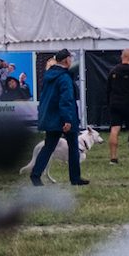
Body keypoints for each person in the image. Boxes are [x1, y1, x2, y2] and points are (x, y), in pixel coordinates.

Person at [29, 50, 88, 188]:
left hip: (51, 118)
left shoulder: (49, 75)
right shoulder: (64, 78)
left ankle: (35, 175)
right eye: (70, 58)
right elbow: (66, 100)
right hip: (64, 118)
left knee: (48, 147)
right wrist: (67, 120)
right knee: (73, 147)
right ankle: (75, 178)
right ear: (66, 60)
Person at [105, 48, 129, 164]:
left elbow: (108, 89)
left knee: (114, 129)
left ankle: (113, 157)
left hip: (115, 104)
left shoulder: (113, 71)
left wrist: (109, 102)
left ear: (122, 56)